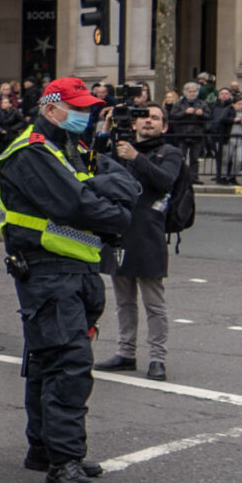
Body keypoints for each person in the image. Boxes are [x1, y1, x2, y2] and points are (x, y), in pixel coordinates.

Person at [0, 78, 142, 483]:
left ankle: (44, 447)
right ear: (50, 107)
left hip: (76, 269)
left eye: (88, 107)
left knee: (47, 361)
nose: (85, 114)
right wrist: (110, 207)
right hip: (48, 270)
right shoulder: (32, 151)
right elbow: (78, 204)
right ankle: (65, 461)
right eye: (76, 107)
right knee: (68, 363)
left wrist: (101, 192)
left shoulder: (69, 149)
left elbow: (125, 183)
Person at [99, 106, 183, 383]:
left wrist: (136, 158)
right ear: (134, 123)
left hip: (149, 235)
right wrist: (104, 132)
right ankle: (126, 352)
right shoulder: (121, 148)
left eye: (155, 118)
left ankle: (157, 358)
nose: (148, 121)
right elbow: (91, 167)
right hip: (120, 232)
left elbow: (165, 182)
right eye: (144, 117)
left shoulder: (169, 153)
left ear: (164, 126)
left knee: (153, 303)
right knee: (123, 302)